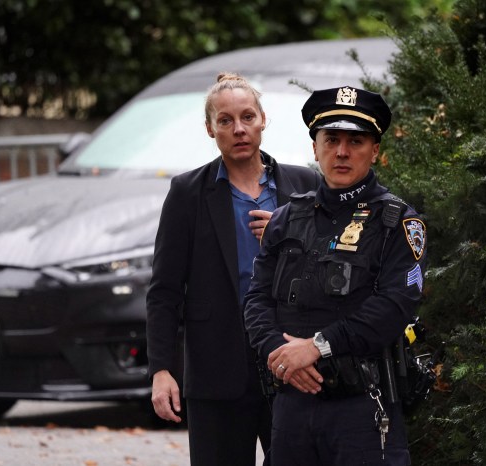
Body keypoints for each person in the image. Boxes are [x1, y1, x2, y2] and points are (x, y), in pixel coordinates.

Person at [243, 86, 427, 465]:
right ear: (315, 147)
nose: (342, 152)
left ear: (375, 151)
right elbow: (257, 299)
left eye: (355, 141)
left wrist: (316, 346)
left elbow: (395, 307)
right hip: (292, 405)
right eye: (332, 140)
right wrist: (280, 355)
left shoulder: (398, 223)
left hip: (362, 407)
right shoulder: (285, 219)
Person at [146, 73, 320, 466]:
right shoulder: (188, 192)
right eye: (225, 121)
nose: (238, 129)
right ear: (210, 129)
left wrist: (285, 236)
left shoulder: (304, 184)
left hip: (290, 360)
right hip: (216, 369)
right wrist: (161, 370)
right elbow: (164, 291)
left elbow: (329, 269)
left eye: (247, 117)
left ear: (263, 120)